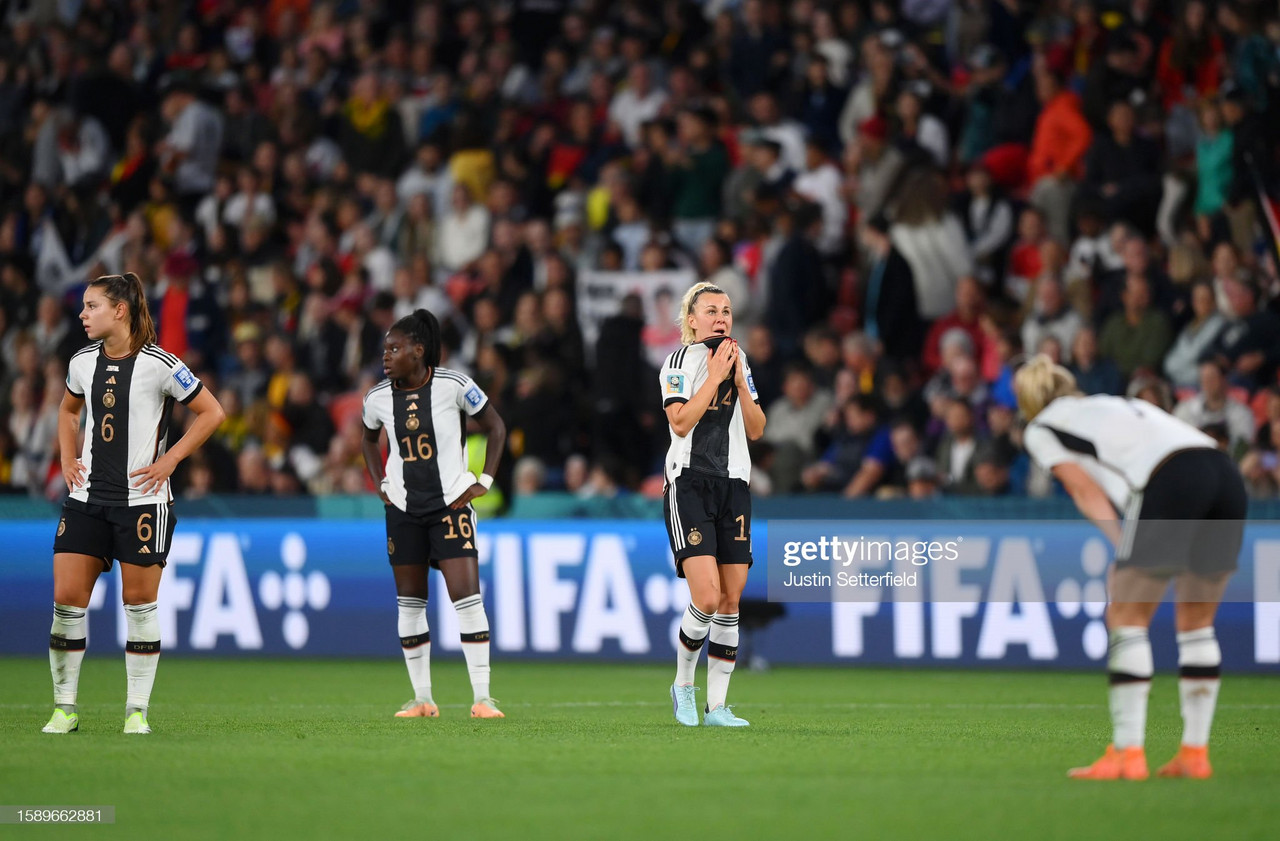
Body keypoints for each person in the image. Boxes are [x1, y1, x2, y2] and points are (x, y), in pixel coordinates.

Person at [1016, 354, 1245, 780]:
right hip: (1224, 473)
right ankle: (1194, 754)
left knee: (1125, 614)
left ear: (1028, 403)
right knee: (1196, 623)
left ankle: (1127, 755)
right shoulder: (1113, 403)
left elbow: (1082, 489)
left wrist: (1122, 547)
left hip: (1171, 477)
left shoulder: (1042, 428)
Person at [44, 273, 227, 735]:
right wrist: (67, 457)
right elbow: (68, 410)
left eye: (91, 306)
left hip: (143, 504)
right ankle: (64, 708)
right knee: (67, 602)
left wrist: (171, 460)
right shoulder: (82, 361)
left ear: (119, 310)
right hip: (85, 500)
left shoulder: (161, 364)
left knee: (139, 604)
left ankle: (136, 711)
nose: (82, 315)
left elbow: (213, 412)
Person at [361, 309, 507, 720]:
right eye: (385, 349)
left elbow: (496, 427)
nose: (386, 357)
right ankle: (422, 698)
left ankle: (483, 697)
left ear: (418, 351)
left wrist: (485, 480)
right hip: (403, 510)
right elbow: (368, 438)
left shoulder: (455, 385)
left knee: (467, 598)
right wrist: (380, 484)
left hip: (451, 505)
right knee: (410, 603)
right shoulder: (376, 398)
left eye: (394, 349)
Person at [660, 281, 766, 727]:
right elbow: (680, 421)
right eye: (711, 310)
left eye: (726, 310)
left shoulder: (740, 360)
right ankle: (683, 686)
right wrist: (717, 378)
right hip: (690, 484)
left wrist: (739, 381)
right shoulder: (679, 362)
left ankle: (718, 706)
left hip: (734, 485)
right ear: (691, 320)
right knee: (706, 595)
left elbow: (757, 429)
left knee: (730, 601)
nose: (721, 317)